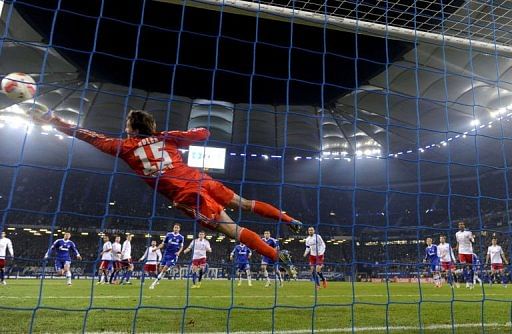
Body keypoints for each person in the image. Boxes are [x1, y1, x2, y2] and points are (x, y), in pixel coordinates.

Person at [31, 109, 299, 277]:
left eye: (127, 123)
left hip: (186, 195)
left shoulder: (123, 146)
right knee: (245, 202)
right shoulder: (165, 137)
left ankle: (277, 256)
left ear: (132, 127)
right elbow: (202, 133)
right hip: (201, 179)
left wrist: (55, 120)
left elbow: (88, 135)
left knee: (232, 230)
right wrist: (192, 132)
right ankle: (289, 221)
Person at [150, 223, 184, 289]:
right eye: (175, 227)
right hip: (166, 254)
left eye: (177, 228)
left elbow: (181, 247)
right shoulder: (168, 235)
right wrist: (156, 249)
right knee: (160, 269)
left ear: (179, 229)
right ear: (173, 228)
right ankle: (166, 271)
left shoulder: (181, 237)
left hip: (173, 255)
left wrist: (179, 252)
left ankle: (154, 283)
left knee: (164, 269)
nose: (176, 229)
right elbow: (163, 244)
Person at [455, 221, 474, 289]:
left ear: (464, 225)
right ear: (458, 226)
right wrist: (456, 248)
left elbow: (473, 240)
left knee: (470, 268)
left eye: (462, 224)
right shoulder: (457, 234)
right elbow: (458, 242)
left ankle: (471, 281)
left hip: (469, 252)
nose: (461, 226)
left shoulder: (468, 233)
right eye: (459, 225)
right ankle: (467, 282)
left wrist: (471, 239)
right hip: (461, 252)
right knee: (464, 266)